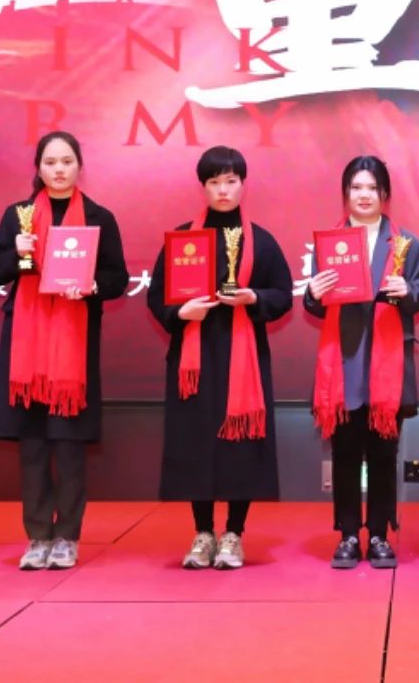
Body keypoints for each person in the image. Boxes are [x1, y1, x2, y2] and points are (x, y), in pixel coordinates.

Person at [0, 131, 128, 570]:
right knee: (32, 446)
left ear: (79, 165)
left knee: (68, 445)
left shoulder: (99, 217)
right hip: (25, 346)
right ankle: (38, 535)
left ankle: (67, 536)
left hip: (73, 344)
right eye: (50, 162)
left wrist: (92, 286)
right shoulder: (19, 215)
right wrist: (16, 254)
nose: (59, 169)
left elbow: (117, 278)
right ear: (38, 168)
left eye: (66, 161)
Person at [147, 146, 293, 569]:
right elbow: (156, 297)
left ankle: (233, 534)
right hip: (193, 361)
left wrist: (253, 298)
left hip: (243, 359)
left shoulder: (261, 241)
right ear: (203, 187)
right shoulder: (183, 240)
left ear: (243, 184)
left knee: (240, 446)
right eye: (214, 182)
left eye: (231, 181)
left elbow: (283, 295)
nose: (223, 190)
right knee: (195, 443)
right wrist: (180, 313)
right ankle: (203, 533)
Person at [305, 156, 419, 570]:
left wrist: (406, 291)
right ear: (346, 193)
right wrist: (313, 293)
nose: (363, 195)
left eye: (372, 188)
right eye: (356, 188)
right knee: (344, 453)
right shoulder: (330, 242)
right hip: (344, 362)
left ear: (384, 194)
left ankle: (378, 534)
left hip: (387, 363)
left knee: (383, 454)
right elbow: (315, 302)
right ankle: (346, 534)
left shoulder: (406, 243)